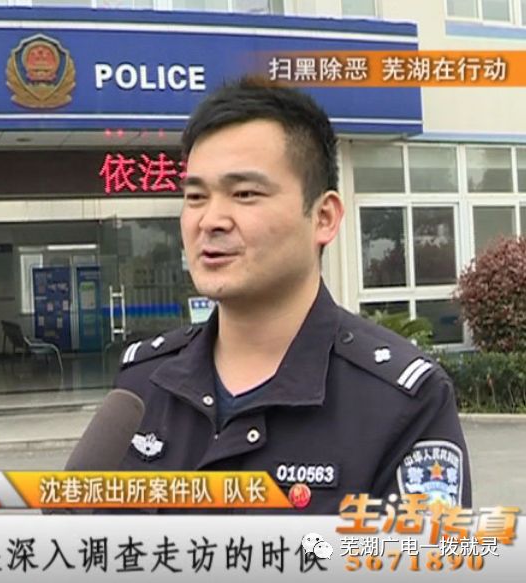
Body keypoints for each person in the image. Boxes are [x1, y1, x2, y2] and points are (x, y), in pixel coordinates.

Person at [108, 76, 471, 513]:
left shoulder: (400, 402)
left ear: (324, 217)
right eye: (196, 196)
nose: (210, 220)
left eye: (245, 194)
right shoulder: (143, 384)